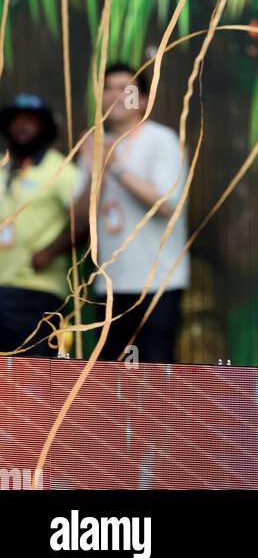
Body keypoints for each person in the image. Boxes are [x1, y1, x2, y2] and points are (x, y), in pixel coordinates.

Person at [78, 62, 190, 364]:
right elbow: (77, 221)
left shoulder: (161, 139)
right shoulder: (94, 144)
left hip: (158, 283)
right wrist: (92, 173)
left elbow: (167, 205)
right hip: (110, 284)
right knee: (109, 380)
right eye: (107, 89)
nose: (113, 95)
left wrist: (115, 167)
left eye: (123, 89)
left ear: (141, 99)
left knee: (155, 377)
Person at [0, 93, 85, 357]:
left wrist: (49, 252)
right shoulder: (2, 168)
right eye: (16, 120)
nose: (23, 126)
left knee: (33, 375)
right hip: (2, 286)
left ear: (46, 128)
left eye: (31, 121)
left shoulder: (61, 170)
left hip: (38, 290)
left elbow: (84, 220)